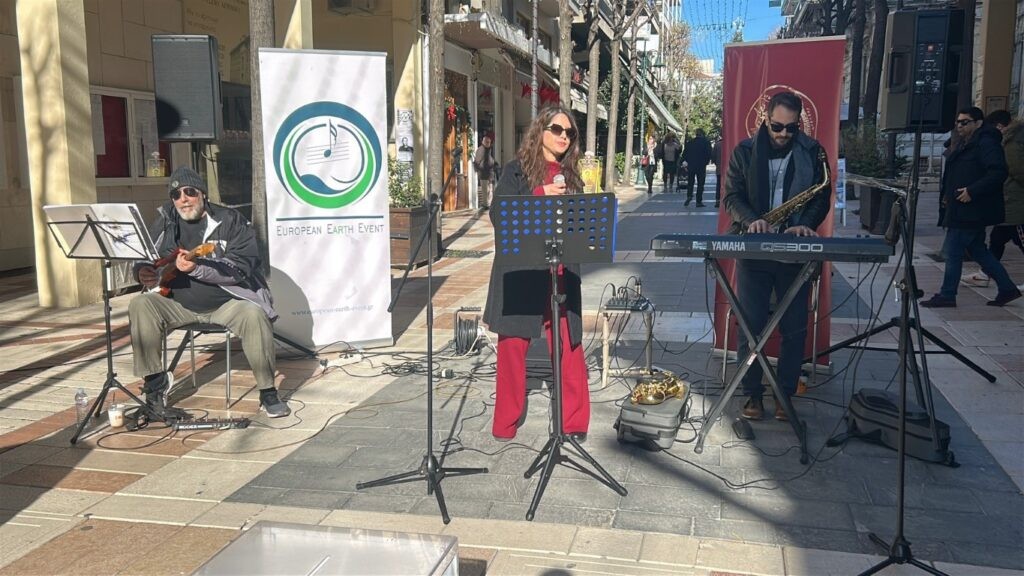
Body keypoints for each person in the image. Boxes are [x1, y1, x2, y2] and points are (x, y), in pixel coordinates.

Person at [129, 166, 291, 419]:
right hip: (179, 302)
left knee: (253, 314)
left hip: (228, 303)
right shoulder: (166, 221)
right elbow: (145, 255)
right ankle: (154, 384)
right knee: (141, 304)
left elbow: (241, 267)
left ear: (202, 194)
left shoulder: (230, 220)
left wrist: (197, 269)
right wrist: (141, 271)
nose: (183, 199)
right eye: (176, 194)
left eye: (190, 192)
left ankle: (268, 392)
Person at [723, 91, 831, 421]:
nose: (783, 134)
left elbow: (821, 196)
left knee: (795, 326)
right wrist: (752, 219)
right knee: (751, 324)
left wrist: (805, 224)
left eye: (791, 128)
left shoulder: (813, 152)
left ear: (799, 125)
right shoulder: (743, 151)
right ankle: (751, 394)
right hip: (754, 248)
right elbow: (731, 196)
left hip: (793, 250)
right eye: (777, 126)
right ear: (765, 120)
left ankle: (785, 393)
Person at [483, 106, 589, 441]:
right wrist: (539, 195)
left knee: (570, 347)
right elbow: (499, 213)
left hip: (561, 272)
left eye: (569, 133)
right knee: (513, 347)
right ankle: (505, 423)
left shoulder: (572, 176)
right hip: (523, 271)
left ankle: (573, 423)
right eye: (557, 129)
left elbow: (584, 226)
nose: (563, 137)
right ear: (540, 131)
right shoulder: (516, 171)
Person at [921, 107, 1019, 307]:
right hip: (961, 208)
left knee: (953, 251)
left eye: (965, 122)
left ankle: (947, 295)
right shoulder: (969, 143)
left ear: (978, 123)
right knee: (978, 250)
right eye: (958, 122)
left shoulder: (987, 143)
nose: (959, 126)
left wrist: (972, 191)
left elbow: (998, 172)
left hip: (971, 210)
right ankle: (1008, 288)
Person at [960, 110, 1024, 291]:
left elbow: (1017, 170)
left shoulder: (1011, 143)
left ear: (1000, 127)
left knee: (1018, 239)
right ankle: (985, 274)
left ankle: (986, 274)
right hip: (1008, 202)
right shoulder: (1010, 140)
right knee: (997, 239)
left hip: (1015, 203)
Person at [682, 128, 713, 207]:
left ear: (696, 134)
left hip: (691, 166)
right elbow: (709, 154)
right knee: (700, 184)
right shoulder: (706, 142)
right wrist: (706, 162)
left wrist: (687, 162)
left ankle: (689, 195)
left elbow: (684, 154)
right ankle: (698, 201)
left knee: (690, 182)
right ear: (702, 134)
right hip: (701, 166)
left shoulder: (690, 143)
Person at [473, 134, 497, 209]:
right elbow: (477, 162)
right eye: (486, 142)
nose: (488, 143)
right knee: (485, 190)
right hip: (484, 174)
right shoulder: (481, 150)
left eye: (489, 142)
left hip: (490, 174)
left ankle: (490, 204)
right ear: (483, 142)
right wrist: (482, 169)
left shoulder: (488, 150)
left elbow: (490, 159)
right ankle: (486, 205)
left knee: (490, 190)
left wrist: (493, 163)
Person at [711, 138, 723, 208]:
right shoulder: (731, 142)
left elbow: (713, 157)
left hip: (719, 168)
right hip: (730, 169)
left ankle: (717, 201)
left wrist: (717, 163)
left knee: (719, 185)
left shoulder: (717, 144)